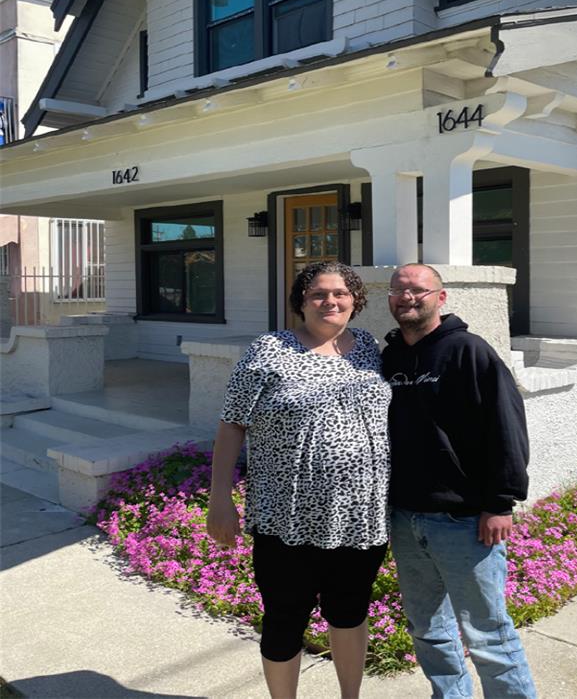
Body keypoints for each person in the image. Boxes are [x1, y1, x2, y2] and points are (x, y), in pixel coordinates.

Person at [206, 261, 392, 699]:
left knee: (349, 614)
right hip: (285, 521)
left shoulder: (367, 347)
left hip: (358, 519)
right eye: (318, 294)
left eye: (340, 293)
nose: (330, 301)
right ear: (301, 302)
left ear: (355, 300)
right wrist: (220, 498)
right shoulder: (270, 349)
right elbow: (232, 423)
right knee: (284, 620)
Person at [382, 263, 537, 699]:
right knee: (428, 627)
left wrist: (501, 502)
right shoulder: (389, 357)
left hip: (463, 520)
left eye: (418, 290)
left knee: (488, 633)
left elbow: (505, 426)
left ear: (441, 297)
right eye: (398, 290)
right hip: (404, 516)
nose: (407, 297)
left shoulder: (469, 351)